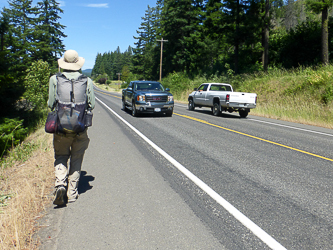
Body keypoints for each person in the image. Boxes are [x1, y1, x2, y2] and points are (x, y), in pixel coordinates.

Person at [48, 50, 95, 206]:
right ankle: (72, 193)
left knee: (61, 156)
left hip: (61, 127)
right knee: (76, 158)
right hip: (80, 127)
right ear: (77, 63)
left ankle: (60, 184)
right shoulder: (86, 80)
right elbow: (92, 104)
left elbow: (50, 104)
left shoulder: (54, 79)